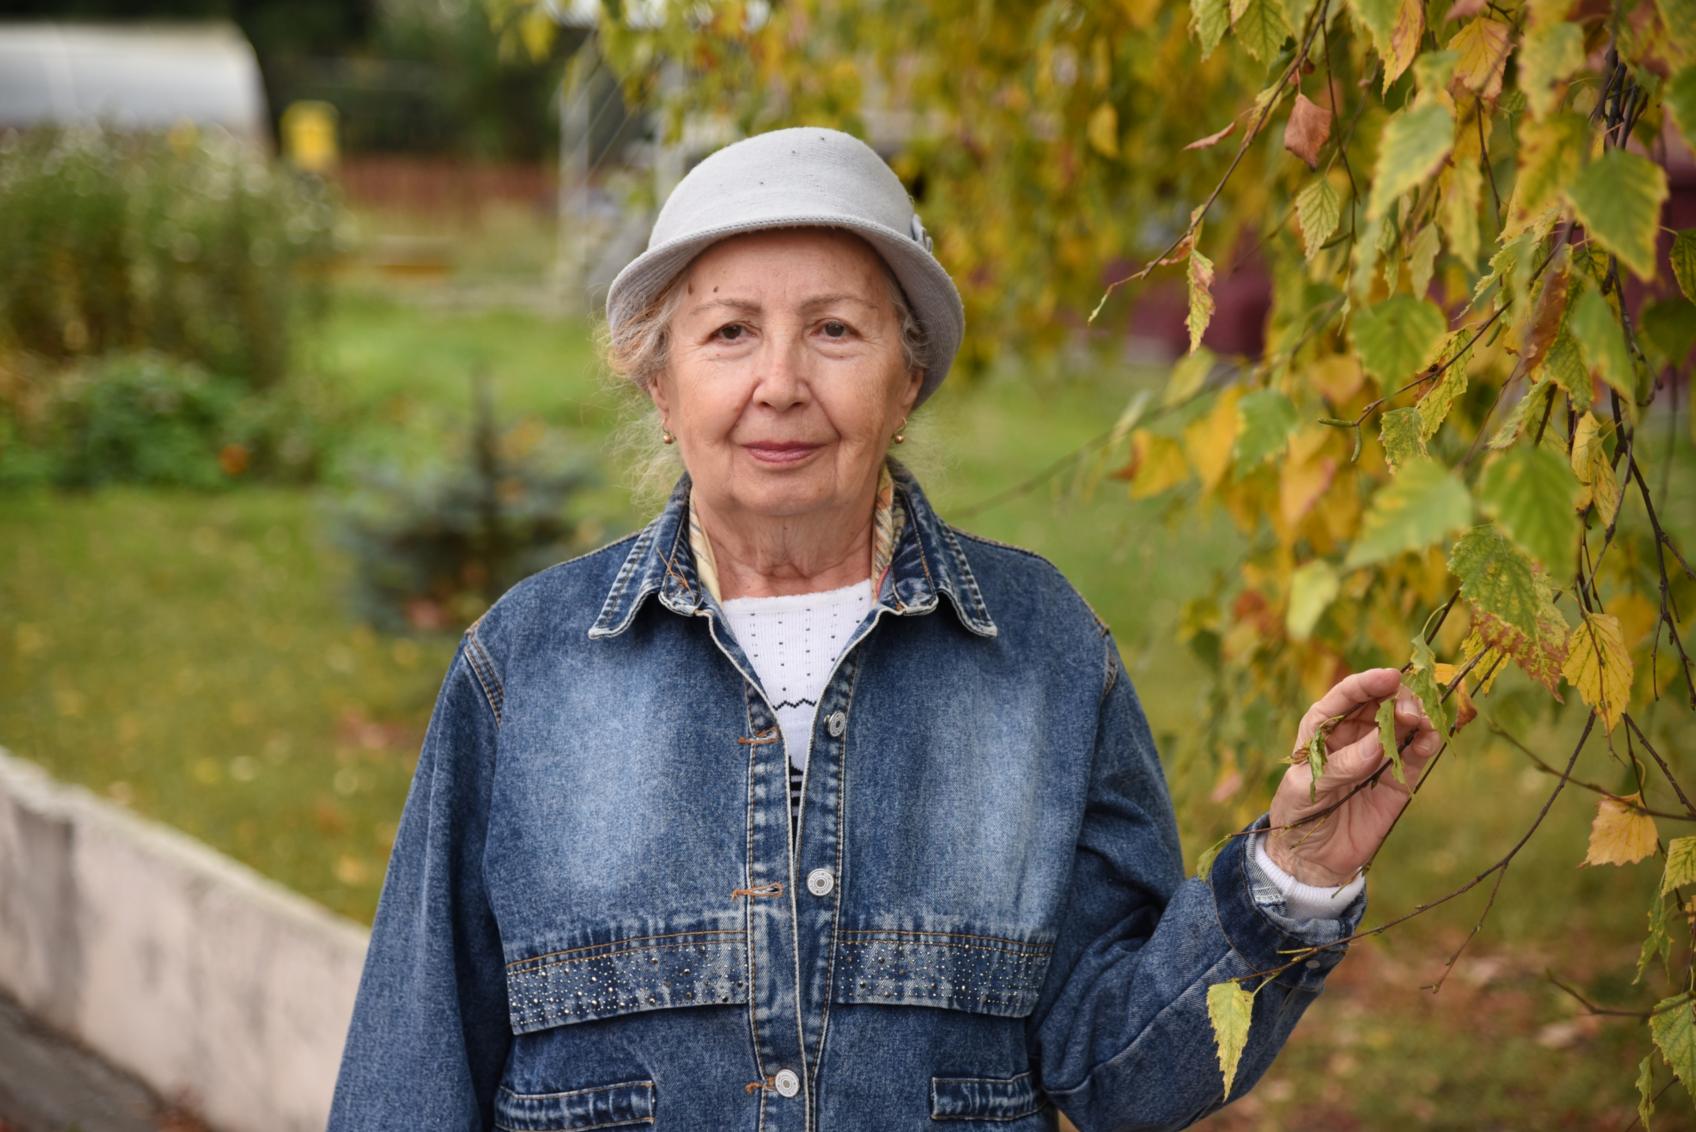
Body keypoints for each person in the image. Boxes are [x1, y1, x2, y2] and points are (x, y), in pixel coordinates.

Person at [327, 126, 1441, 1131]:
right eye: (727, 332)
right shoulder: (526, 668)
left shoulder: (1041, 652)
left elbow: (1118, 1074)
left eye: (834, 329)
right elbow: (409, 1073)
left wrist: (1288, 879)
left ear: (906, 382)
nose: (779, 383)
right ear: (661, 391)